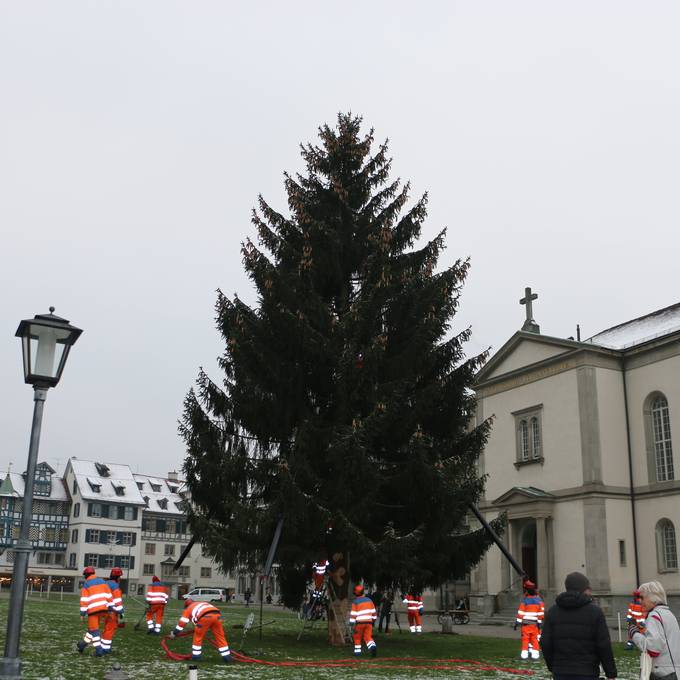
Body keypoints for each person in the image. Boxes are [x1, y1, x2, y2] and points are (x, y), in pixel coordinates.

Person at [541, 571, 617, 680]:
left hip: (561, 671)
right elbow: (603, 645)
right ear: (584, 589)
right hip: (588, 672)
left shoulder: (553, 612)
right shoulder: (595, 612)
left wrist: (553, 666)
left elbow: (545, 642)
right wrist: (611, 673)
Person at [629, 580, 680, 680]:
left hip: (663, 674)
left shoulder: (654, 616)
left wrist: (634, 633)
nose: (640, 601)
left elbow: (653, 649)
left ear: (652, 598)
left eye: (642, 597)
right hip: (674, 671)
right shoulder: (669, 614)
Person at [169, 597, 232, 663]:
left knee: (198, 637)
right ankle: (227, 657)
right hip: (218, 615)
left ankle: (196, 657)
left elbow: (182, 624)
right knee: (220, 637)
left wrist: (175, 633)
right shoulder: (201, 603)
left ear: (186, 606)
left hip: (205, 617)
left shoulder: (188, 609)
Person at [77, 566, 113, 657]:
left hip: (93, 611)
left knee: (94, 630)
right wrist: (110, 608)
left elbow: (84, 600)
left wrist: (82, 613)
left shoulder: (86, 585)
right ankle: (82, 645)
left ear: (86, 575)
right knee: (91, 630)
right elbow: (109, 596)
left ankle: (99, 651)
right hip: (103, 610)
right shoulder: (103, 582)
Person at [514, 579, 544, 660]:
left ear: (527, 590)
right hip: (535, 625)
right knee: (534, 640)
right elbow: (541, 613)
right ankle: (535, 655)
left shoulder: (525, 600)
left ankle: (524, 655)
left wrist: (517, 622)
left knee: (525, 640)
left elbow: (521, 613)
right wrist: (540, 623)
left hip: (526, 625)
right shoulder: (539, 600)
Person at [100, 567, 124, 655]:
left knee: (106, 629)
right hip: (112, 611)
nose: (120, 579)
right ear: (117, 577)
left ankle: (103, 646)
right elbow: (118, 602)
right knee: (110, 629)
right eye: (120, 577)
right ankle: (105, 649)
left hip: (103, 610)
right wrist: (121, 612)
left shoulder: (105, 584)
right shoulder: (115, 586)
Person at [349, 584, 377, 657]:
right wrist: (373, 620)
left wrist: (351, 624)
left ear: (355, 593)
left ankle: (357, 653)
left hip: (359, 623)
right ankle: (372, 647)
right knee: (368, 637)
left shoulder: (355, 602)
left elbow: (353, 614)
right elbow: (373, 612)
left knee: (357, 637)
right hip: (369, 622)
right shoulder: (369, 600)